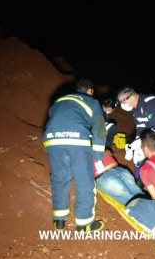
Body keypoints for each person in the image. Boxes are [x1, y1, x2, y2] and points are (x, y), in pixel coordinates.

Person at [43, 78, 107, 232]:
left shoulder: (60, 100)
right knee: (84, 181)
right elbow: (99, 129)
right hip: (76, 140)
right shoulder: (92, 102)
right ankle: (84, 224)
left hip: (52, 140)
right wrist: (98, 156)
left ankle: (59, 220)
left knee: (59, 179)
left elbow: (54, 117)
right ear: (90, 91)